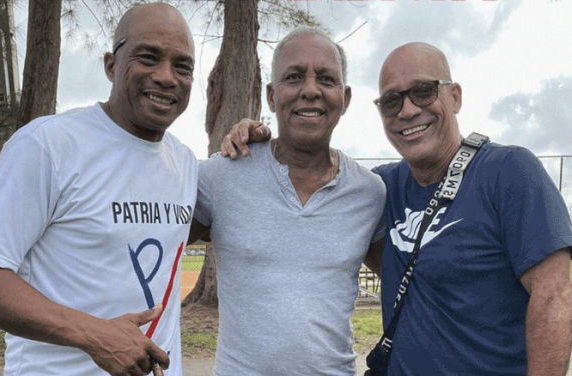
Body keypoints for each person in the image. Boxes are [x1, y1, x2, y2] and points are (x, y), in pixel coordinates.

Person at [225, 42, 572, 375]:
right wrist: (258, 143)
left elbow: (554, 295)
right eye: (391, 100)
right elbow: (312, 178)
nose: (407, 111)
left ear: (455, 96)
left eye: (423, 91)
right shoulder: (378, 189)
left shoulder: (508, 171)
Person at [0, 4, 198, 375]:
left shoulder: (185, 163)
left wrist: (251, 135)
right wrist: (96, 335)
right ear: (111, 65)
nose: (166, 77)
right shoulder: (48, 146)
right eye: (148, 57)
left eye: (183, 66)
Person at [188, 27, 386, 375]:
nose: (310, 90)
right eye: (294, 77)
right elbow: (146, 241)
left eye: (326, 79)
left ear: (346, 96)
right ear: (271, 96)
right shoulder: (223, 175)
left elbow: (417, 285)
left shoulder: (369, 193)